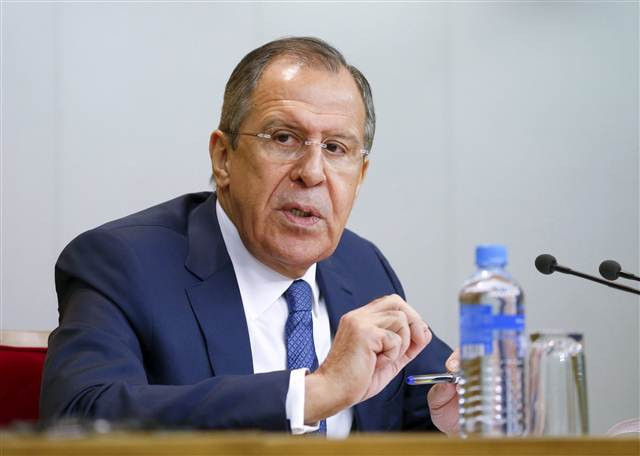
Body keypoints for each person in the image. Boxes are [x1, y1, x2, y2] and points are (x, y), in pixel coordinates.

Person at [40, 36, 459, 437]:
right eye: (284, 138)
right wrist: (312, 394)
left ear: (360, 175)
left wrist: (460, 413)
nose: (312, 172)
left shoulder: (362, 266)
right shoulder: (124, 263)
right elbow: (77, 419)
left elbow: (429, 409)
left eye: (335, 148)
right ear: (223, 157)